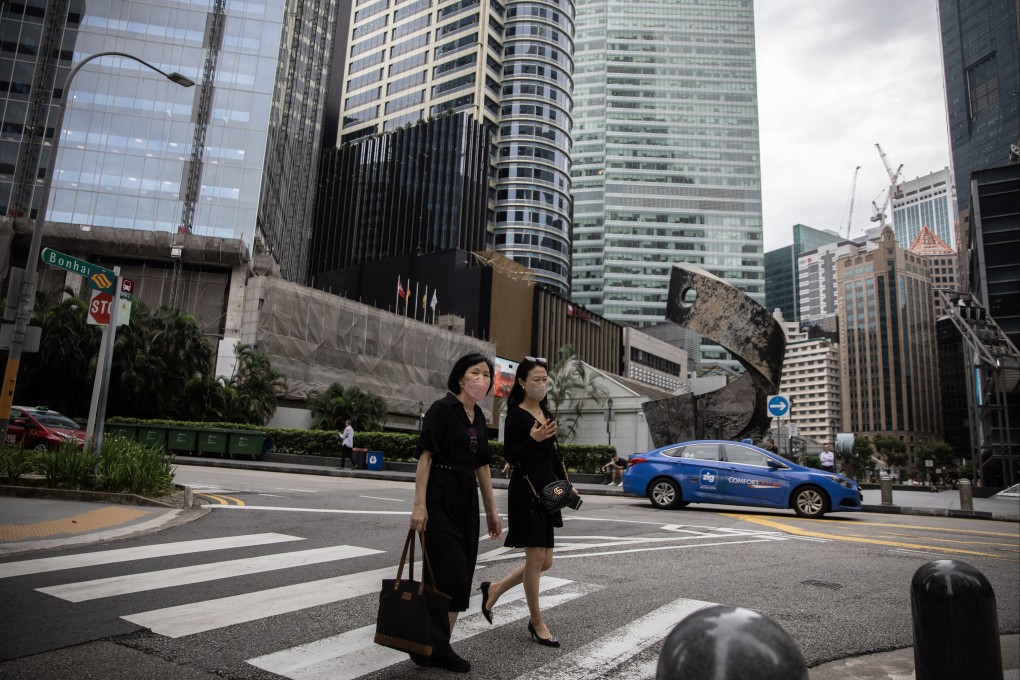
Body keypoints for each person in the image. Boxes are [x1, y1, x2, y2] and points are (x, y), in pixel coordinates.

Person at [409, 353, 502, 672]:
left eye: (487, 375)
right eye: (476, 373)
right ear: (460, 378)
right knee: (449, 573)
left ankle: (433, 645)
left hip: (466, 500)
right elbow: (425, 458)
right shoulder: (442, 409)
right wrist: (419, 506)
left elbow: (483, 466)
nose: (483, 379)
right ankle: (438, 646)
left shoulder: (478, 417)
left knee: (460, 577)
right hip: (440, 495)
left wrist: (492, 510)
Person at [479, 356, 570, 649]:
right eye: (536, 380)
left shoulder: (545, 410)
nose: (542, 384)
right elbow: (509, 455)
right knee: (534, 560)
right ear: (521, 383)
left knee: (546, 561)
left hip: (547, 491)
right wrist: (532, 439)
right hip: (527, 492)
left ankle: (494, 588)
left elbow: (553, 453)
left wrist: (567, 484)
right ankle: (536, 621)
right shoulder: (516, 415)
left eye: (545, 379)